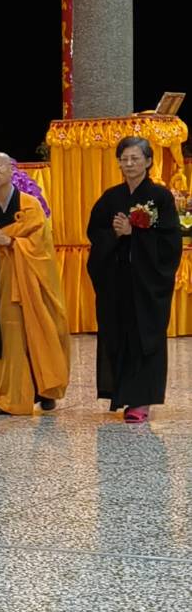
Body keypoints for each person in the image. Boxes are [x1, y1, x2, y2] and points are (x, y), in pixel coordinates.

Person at [0, 152, 71, 416]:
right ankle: (7, 397)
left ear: (11, 169)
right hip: (0, 287)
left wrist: (10, 241)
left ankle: (45, 390)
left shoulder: (30, 206)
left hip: (32, 284)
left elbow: (42, 245)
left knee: (40, 332)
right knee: (9, 340)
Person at [86, 135, 182, 422]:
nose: (128, 164)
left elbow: (170, 242)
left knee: (145, 337)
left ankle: (141, 400)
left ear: (148, 161)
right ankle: (121, 394)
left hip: (147, 283)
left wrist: (136, 233)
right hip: (116, 281)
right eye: (124, 159)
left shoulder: (160, 197)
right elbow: (94, 233)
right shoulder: (111, 197)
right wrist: (115, 234)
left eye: (135, 158)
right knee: (118, 334)